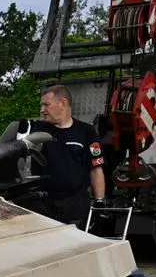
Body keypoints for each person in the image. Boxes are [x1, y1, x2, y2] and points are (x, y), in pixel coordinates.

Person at [35, 84, 107, 224]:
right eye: (41, 105)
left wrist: (99, 202)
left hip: (75, 207)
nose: (42, 110)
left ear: (63, 103)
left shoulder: (87, 132)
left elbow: (96, 169)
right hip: (43, 204)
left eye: (46, 105)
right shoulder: (36, 129)